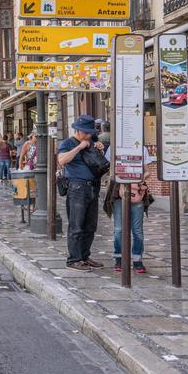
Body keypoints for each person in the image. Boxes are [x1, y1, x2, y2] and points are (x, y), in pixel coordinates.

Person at [57, 115, 105, 272]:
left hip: (93, 187)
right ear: (77, 130)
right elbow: (62, 160)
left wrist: (98, 148)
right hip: (77, 188)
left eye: (90, 132)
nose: (89, 135)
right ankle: (74, 259)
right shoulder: (68, 143)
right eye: (86, 132)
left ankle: (84, 256)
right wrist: (79, 147)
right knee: (76, 225)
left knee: (90, 225)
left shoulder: (92, 141)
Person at [105, 145, 153, 273]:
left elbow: (148, 171)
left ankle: (137, 259)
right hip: (118, 192)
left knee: (137, 230)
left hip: (136, 193)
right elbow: (110, 171)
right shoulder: (114, 146)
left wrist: (138, 179)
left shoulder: (141, 148)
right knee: (119, 229)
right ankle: (118, 257)